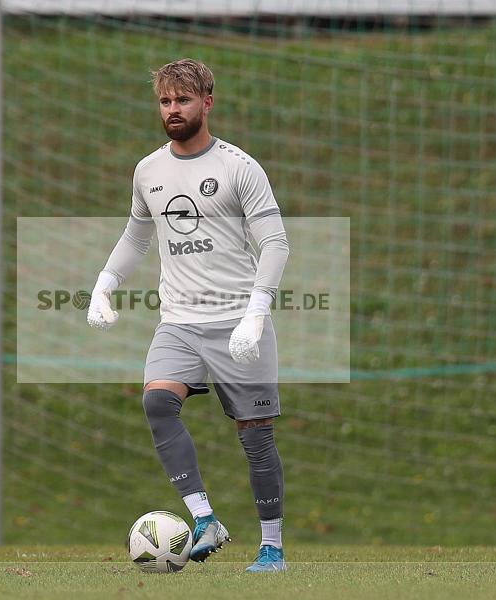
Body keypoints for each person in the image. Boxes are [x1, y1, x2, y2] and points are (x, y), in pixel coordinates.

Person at [87, 58, 289, 573]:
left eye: (183, 100)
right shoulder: (148, 170)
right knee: (157, 402)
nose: (173, 110)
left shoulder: (239, 167)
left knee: (257, 436)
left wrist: (255, 313)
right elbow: (137, 235)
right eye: (165, 101)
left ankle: (272, 547)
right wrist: (105, 285)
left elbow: (275, 243)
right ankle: (204, 519)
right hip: (178, 321)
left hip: (239, 320)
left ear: (207, 103)